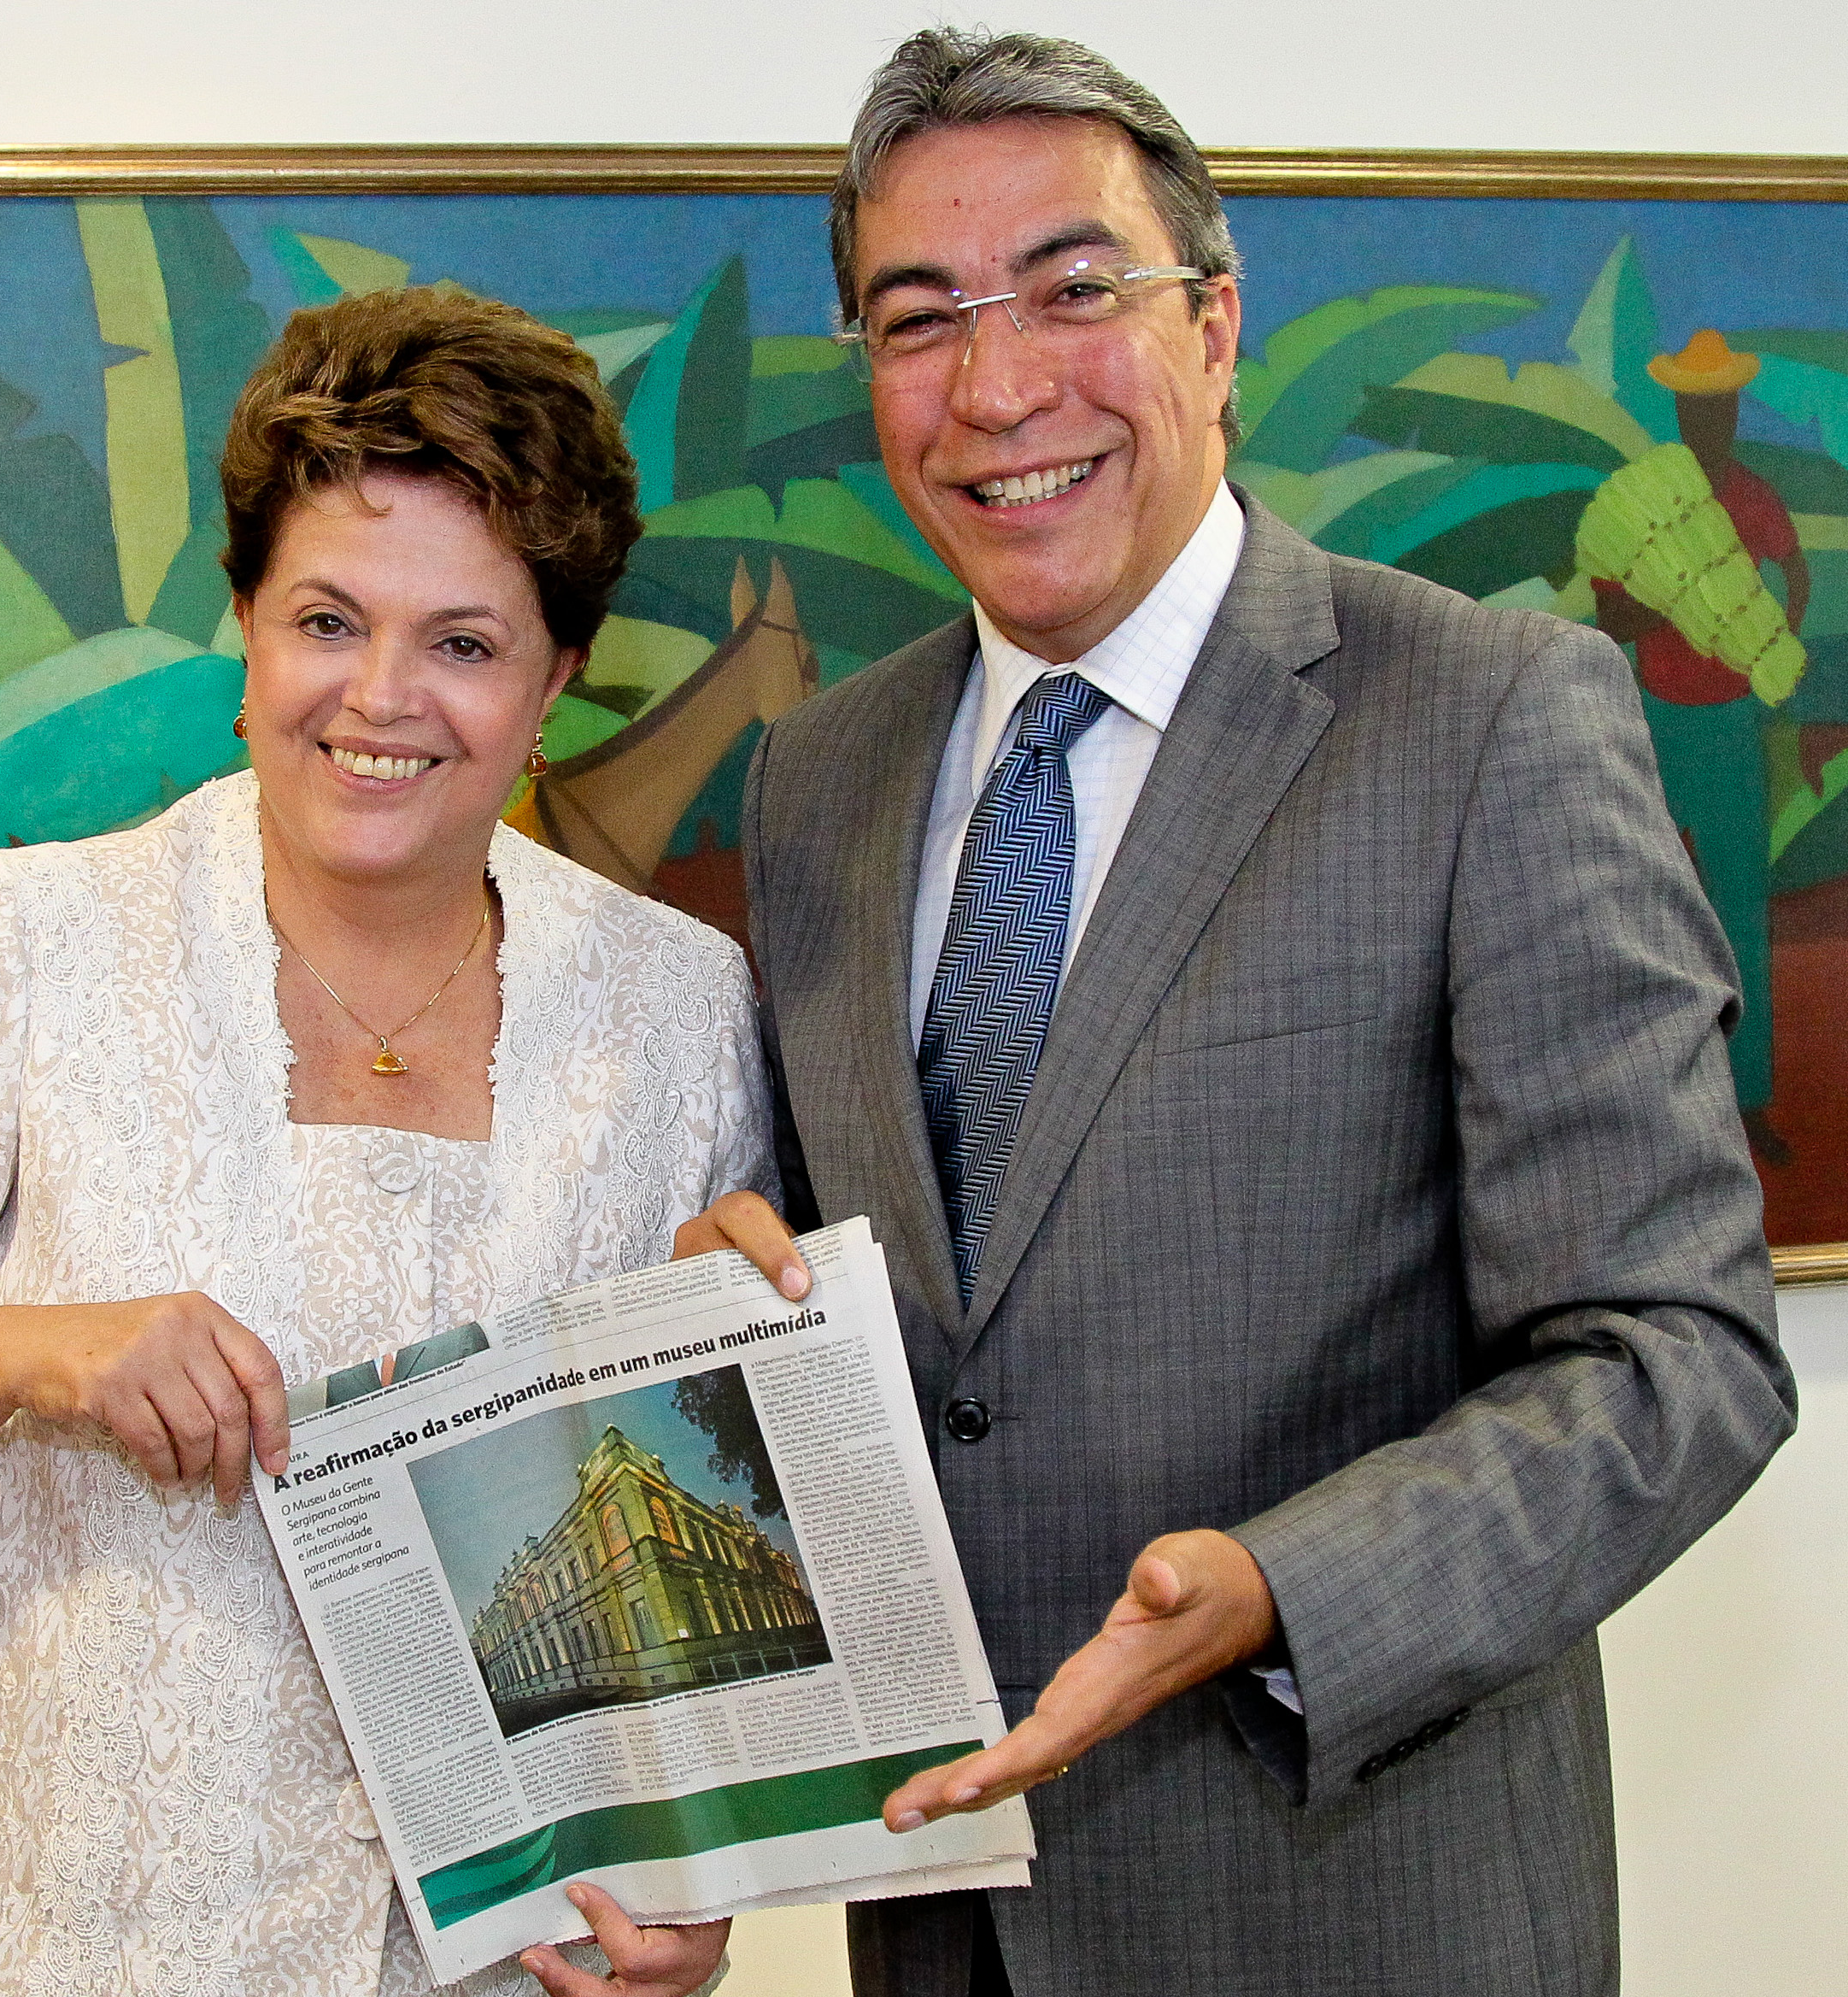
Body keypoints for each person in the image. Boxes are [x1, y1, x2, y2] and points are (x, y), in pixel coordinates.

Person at [680, 28, 1795, 1996]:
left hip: (1355, 1906)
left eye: (1069, 286)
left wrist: (1286, 1586)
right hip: (940, 1923)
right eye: (916, 315)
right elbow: (898, 1303)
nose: (997, 382)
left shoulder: (1485, 711)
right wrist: (728, 1304)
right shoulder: (817, 779)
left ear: (1209, 320)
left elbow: (1671, 1347)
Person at [0, 288, 760, 1997]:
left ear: (554, 677)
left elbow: (692, 1531)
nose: (379, 698)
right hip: (53, 1945)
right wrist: (27, 1348)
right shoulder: (35, 941)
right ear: (245, 624)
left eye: (464, 643)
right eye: (329, 618)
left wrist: (698, 1876)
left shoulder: (684, 1010)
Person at [1589, 328, 1813, 1154]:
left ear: (1732, 411)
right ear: (1679, 410)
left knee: (1739, 909)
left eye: (1717, 407)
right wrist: (1677, 600)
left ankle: (1746, 1096)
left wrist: (1765, 638)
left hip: (1727, 725)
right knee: (1639, 912)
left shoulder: (1757, 499)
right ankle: (1646, 1103)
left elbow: (1797, 578)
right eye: (1693, 406)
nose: (1705, 420)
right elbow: (1610, 618)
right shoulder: (1642, 501)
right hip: (1652, 722)